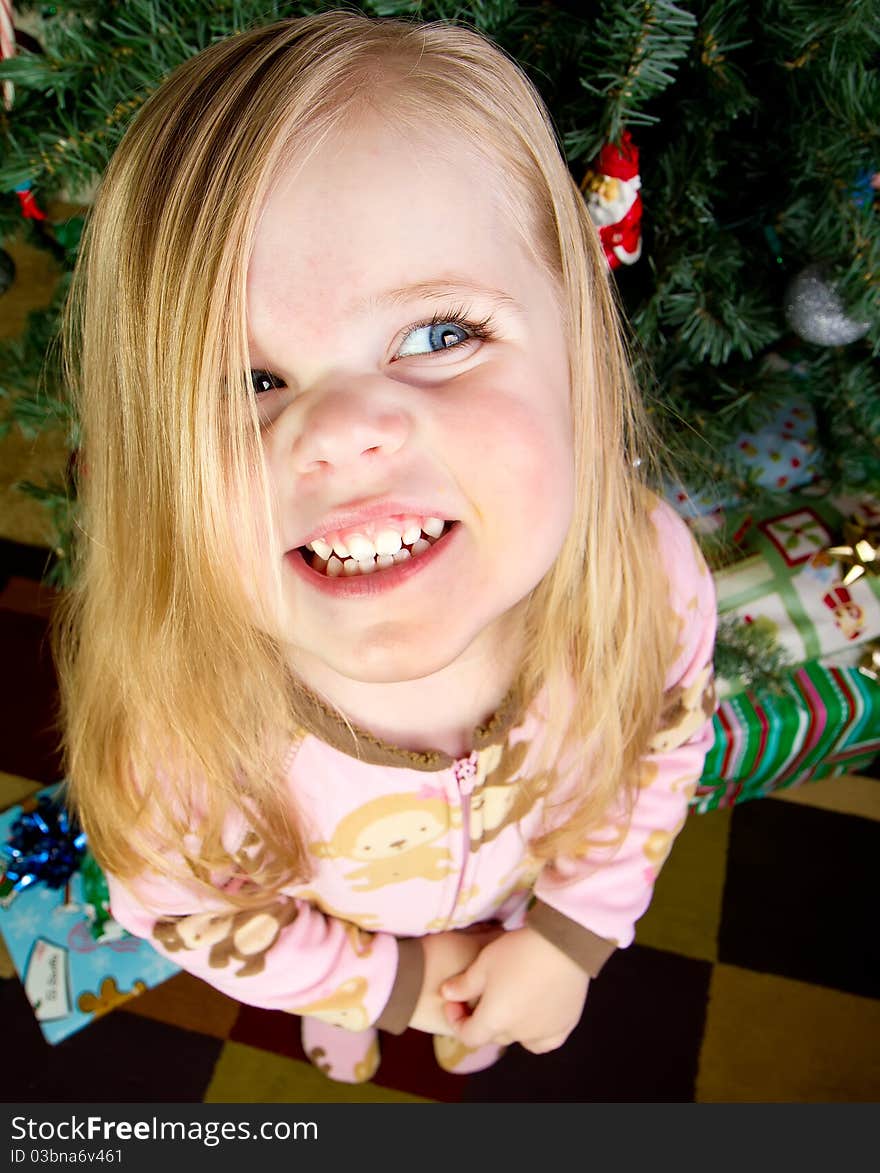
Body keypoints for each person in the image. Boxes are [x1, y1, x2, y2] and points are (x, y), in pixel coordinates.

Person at [55, 10, 717, 1085]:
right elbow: (199, 914)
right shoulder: (178, 728)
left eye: (439, 334)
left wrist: (566, 939)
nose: (342, 432)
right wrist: (399, 985)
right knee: (348, 1004)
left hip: (523, 901)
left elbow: (660, 750)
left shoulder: (643, 578)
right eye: (243, 381)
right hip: (339, 933)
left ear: (576, 346)